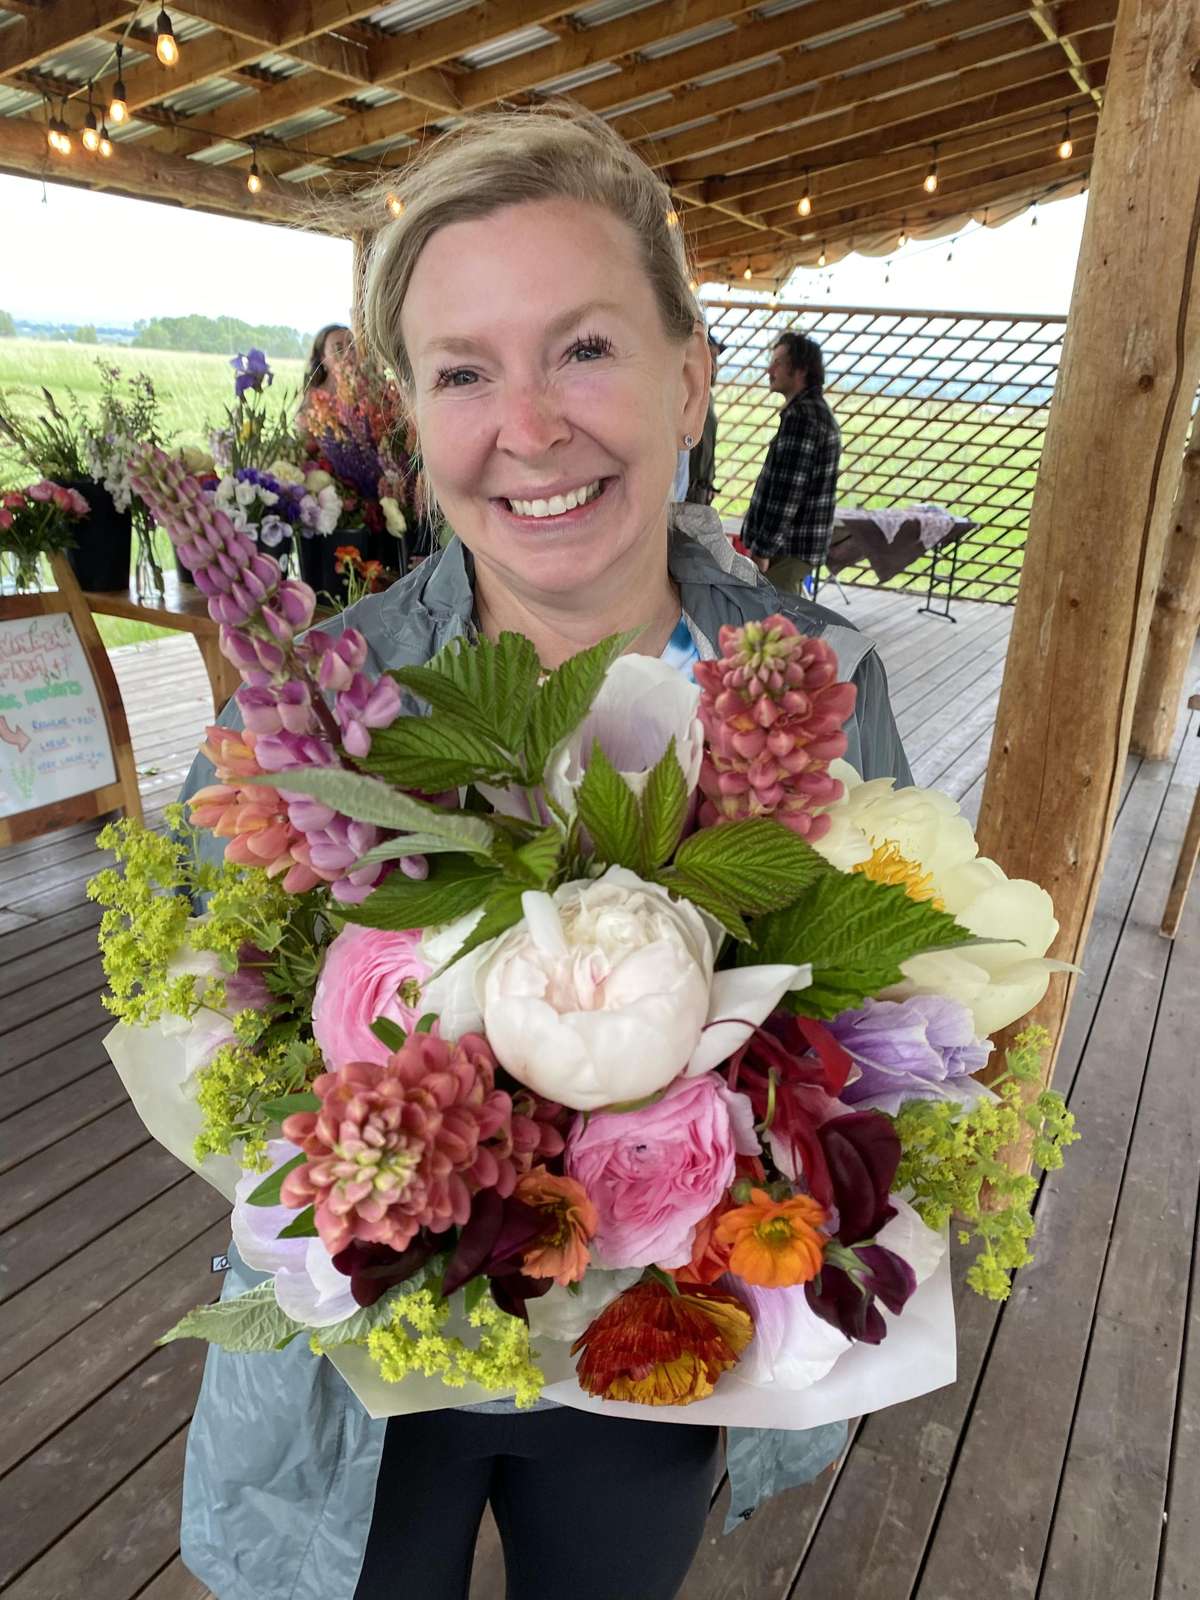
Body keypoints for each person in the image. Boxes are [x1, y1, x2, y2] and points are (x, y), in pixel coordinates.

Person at [176, 104, 910, 1600]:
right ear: (413, 419)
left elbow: (890, 1028)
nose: (527, 426)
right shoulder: (306, 717)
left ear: (690, 380)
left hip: (659, 1340)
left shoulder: (817, 684)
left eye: (582, 348)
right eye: (464, 372)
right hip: (367, 1357)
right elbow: (206, 1029)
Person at [739, 331, 841, 593]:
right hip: (790, 546)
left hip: (786, 548)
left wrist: (763, 548)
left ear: (801, 370)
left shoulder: (803, 417)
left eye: (778, 363)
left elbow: (788, 493)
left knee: (772, 613)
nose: (770, 370)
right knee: (783, 612)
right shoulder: (811, 411)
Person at [684, 332, 722, 505]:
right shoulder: (684, 398)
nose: (713, 367)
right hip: (686, 491)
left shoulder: (708, 398)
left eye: (715, 359)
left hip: (701, 489)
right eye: (708, 357)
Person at [296, 321, 352, 429]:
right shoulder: (312, 400)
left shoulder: (366, 393)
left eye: (352, 347)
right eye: (339, 349)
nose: (348, 354)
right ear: (322, 357)